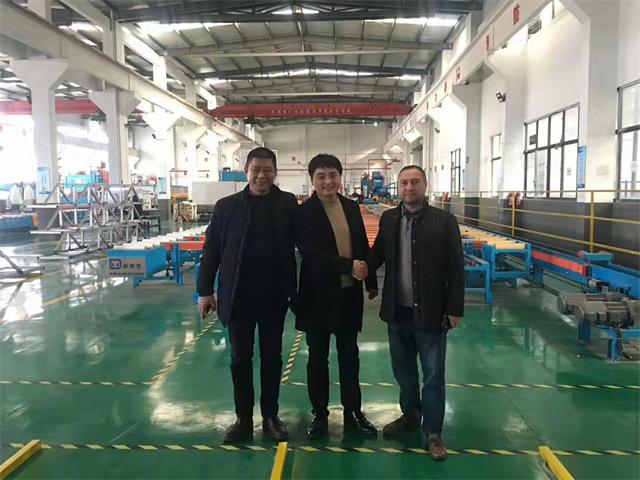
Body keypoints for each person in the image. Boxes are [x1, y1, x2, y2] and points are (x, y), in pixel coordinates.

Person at [197, 147, 298, 443]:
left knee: (272, 358)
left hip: (274, 296)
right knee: (240, 358)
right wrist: (204, 290)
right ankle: (243, 418)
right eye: (256, 170)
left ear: (275, 172)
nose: (261, 176)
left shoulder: (287, 203)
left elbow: (304, 244)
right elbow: (211, 249)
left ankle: (270, 416)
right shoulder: (226, 207)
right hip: (237, 296)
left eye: (267, 170)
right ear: (246, 171)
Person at [367, 165, 465, 460]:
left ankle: (433, 432)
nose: (409, 187)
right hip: (397, 312)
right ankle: (411, 416)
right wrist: (359, 270)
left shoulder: (444, 221)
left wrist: (454, 309)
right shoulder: (389, 219)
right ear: (398, 187)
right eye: (404, 183)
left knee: (433, 375)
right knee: (404, 373)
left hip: (432, 313)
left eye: (415, 182)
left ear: (425, 185)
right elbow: (377, 254)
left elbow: (456, 267)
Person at [296, 153, 378, 439]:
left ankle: (353, 412)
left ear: (340, 178)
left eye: (332, 175)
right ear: (312, 180)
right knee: (317, 358)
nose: (328, 181)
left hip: (348, 295)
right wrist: (347, 266)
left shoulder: (351, 207)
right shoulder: (304, 212)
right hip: (318, 297)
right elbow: (311, 253)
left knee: (349, 355)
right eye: (321, 176)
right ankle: (320, 414)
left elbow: (361, 245)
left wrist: (369, 280)